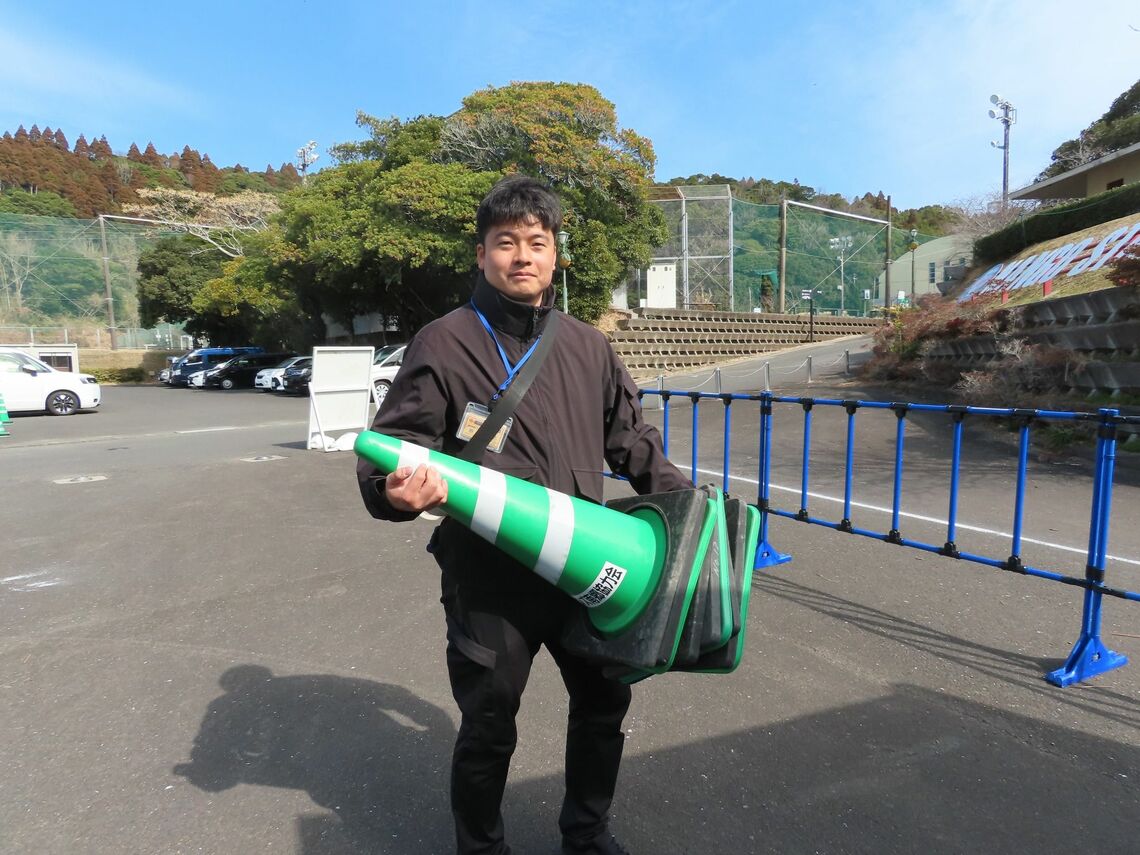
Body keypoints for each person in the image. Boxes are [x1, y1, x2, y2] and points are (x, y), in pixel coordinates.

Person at [357, 175, 690, 855]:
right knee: (488, 721)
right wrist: (393, 492)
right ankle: (481, 847)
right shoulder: (443, 342)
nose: (522, 255)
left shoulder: (586, 346)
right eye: (505, 242)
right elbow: (391, 450)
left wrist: (692, 511)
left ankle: (587, 835)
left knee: (603, 708)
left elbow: (632, 441)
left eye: (537, 242)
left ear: (554, 253)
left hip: (586, 564)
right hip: (488, 576)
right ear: (481, 254)